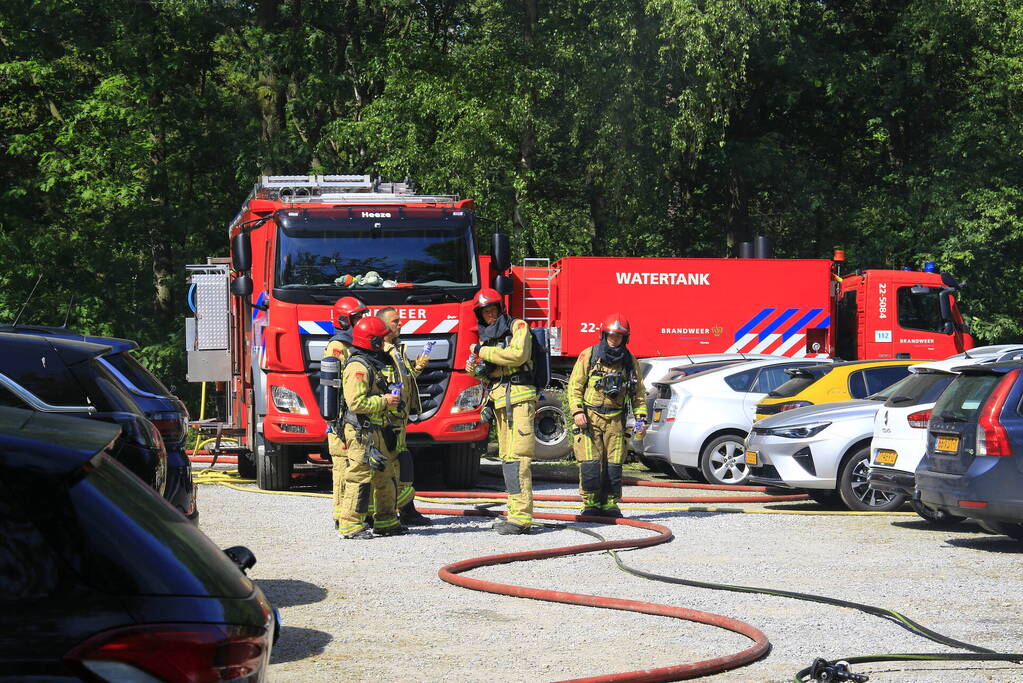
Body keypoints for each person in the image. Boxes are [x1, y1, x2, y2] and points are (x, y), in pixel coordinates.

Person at [468, 288, 536, 534]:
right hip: (499, 401)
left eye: (493, 310)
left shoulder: (518, 327)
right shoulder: (488, 338)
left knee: (519, 459)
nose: (490, 316)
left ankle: (521, 518)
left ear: (501, 309)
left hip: (519, 399)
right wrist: (474, 365)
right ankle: (514, 513)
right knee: (508, 460)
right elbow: (483, 371)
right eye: (485, 313)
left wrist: (482, 352)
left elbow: (517, 355)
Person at [567, 313, 647, 517]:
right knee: (590, 464)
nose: (615, 340)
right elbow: (575, 386)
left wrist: (641, 419)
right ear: (604, 335)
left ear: (625, 338)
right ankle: (590, 504)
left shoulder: (629, 361)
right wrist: (577, 411)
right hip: (590, 418)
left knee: (614, 464)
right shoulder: (590, 355)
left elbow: (638, 394)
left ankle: (610, 504)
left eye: (619, 337)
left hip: (616, 420)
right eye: (612, 336)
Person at [336, 316, 405, 539]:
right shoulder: (358, 367)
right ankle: (350, 524)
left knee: (385, 475)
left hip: (378, 430)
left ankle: (386, 521)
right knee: (359, 476)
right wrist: (385, 401)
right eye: (382, 339)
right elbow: (355, 403)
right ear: (373, 342)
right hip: (360, 431)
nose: (386, 343)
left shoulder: (373, 363)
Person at [377, 307, 432, 526]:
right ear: (383, 326)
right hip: (386, 418)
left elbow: (404, 379)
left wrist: (417, 368)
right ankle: (390, 512)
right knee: (391, 465)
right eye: (395, 321)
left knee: (402, 463)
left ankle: (406, 509)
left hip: (399, 417)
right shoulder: (380, 351)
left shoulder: (397, 349)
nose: (400, 324)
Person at [324, 296, 370, 527]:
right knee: (342, 467)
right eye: (357, 317)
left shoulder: (356, 344)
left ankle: (356, 511)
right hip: (342, 418)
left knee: (356, 465)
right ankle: (341, 514)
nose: (362, 320)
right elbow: (332, 386)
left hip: (354, 416)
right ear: (344, 320)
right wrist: (336, 419)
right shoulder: (337, 347)